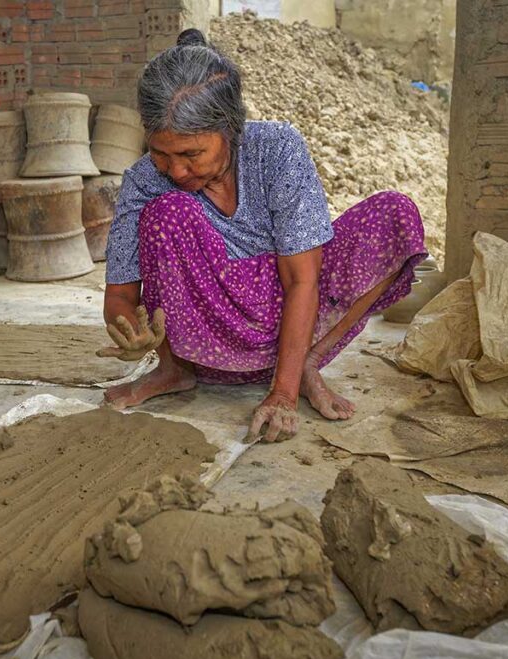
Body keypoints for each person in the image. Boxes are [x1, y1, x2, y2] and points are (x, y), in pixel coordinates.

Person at [97, 28, 427, 443]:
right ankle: (172, 371)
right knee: (166, 211)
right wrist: (131, 334)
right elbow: (121, 297)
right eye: (161, 153)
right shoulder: (145, 181)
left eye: (191, 154)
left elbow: (302, 279)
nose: (176, 170)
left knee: (395, 213)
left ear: (231, 128)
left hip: (291, 333)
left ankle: (306, 364)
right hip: (205, 347)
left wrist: (283, 393)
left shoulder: (277, 149)